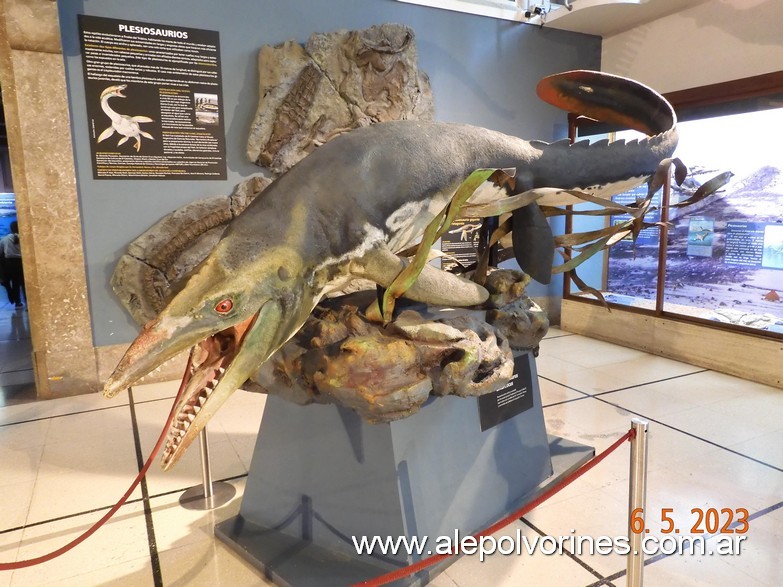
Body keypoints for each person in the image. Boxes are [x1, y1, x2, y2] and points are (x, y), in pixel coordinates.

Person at [0, 221, 25, 308]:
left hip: (10, 264)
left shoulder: (5, 239)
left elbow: (1, 252)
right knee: (24, 284)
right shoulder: (24, 238)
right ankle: (29, 304)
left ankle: (18, 303)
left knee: (15, 283)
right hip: (22, 263)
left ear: (11, 228)